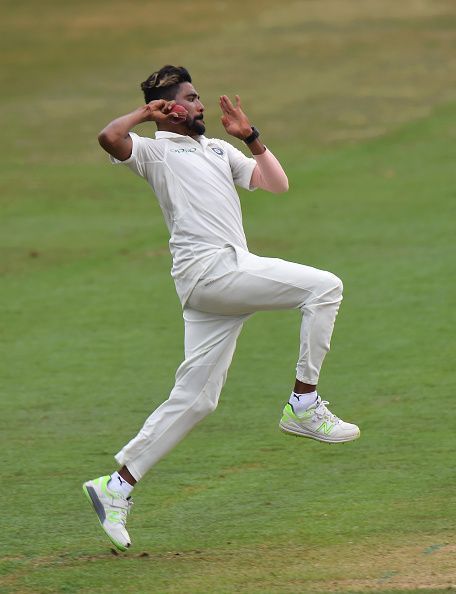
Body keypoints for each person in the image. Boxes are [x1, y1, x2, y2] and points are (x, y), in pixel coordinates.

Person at [83, 65, 360, 551]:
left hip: (219, 283)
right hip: (211, 271)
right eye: (189, 99)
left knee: (197, 400)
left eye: (198, 97)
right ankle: (304, 404)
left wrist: (250, 136)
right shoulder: (153, 152)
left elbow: (276, 184)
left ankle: (117, 486)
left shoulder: (216, 149)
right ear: (166, 109)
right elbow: (109, 137)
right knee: (325, 287)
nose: (200, 105)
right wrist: (143, 115)